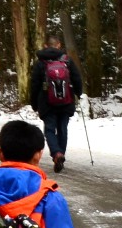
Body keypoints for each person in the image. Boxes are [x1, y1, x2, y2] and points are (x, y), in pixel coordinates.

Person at [26, 32, 84, 172]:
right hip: (66, 100)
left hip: (47, 102)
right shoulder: (67, 61)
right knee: (63, 129)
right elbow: (77, 79)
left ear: (46, 45)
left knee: (50, 129)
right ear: (59, 45)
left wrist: (34, 103)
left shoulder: (41, 63)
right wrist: (77, 92)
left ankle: (56, 154)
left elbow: (34, 85)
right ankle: (61, 155)